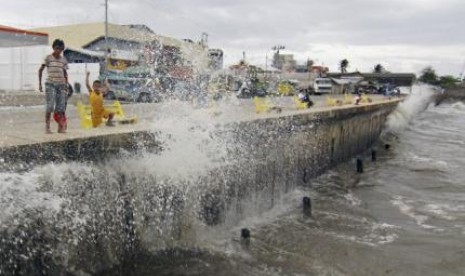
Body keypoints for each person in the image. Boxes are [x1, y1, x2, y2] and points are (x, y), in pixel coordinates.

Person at [38, 39, 69, 134]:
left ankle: (60, 127)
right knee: (50, 106)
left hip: (61, 85)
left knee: (60, 107)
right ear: (53, 48)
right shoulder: (48, 58)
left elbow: (65, 73)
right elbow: (40, 70)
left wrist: (66, 84)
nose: (58, 51)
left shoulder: (64, 60)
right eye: (57, 48)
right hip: (50, 84)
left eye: (60, 49)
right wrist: (39, 84)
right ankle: (47, 127)